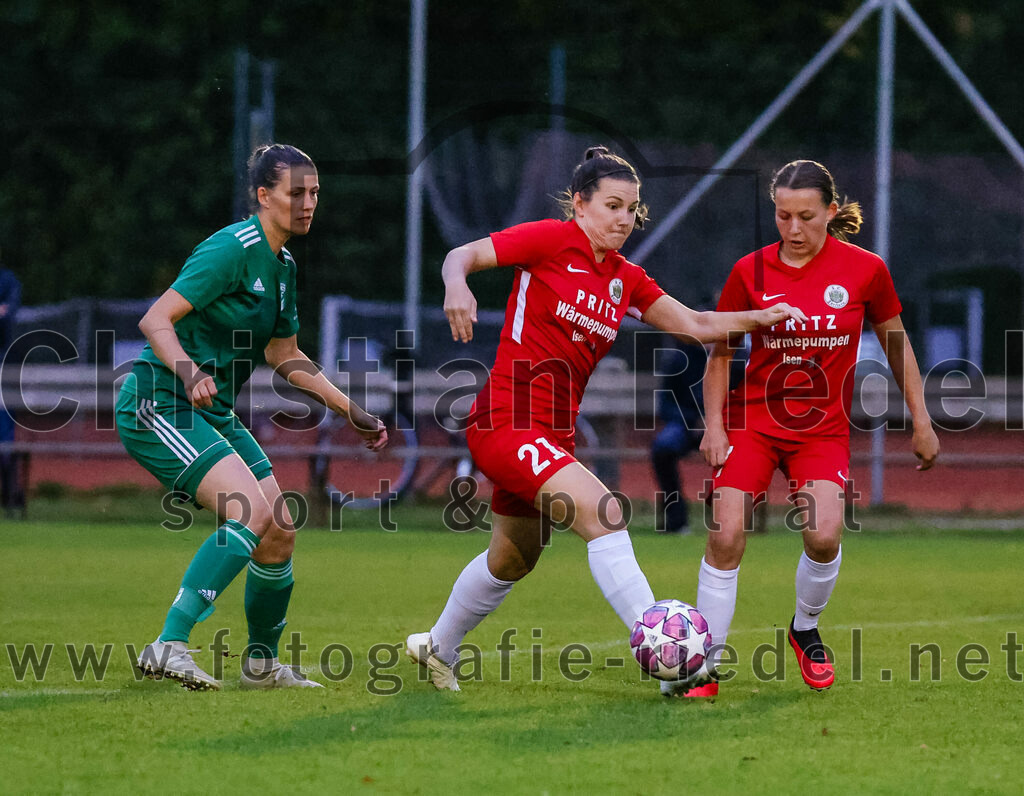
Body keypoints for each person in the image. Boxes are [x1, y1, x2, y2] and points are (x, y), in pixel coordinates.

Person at [406, 146, 807, 691]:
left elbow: (694, 323)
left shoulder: (626, 278)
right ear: (580, 205)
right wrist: (458, 284)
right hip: (508, 419)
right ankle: (675, 663)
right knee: (606, 513)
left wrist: (760, 317)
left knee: (514, 556)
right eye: (613, 205)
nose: (624, 219)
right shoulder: (550, 239)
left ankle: (436, 647)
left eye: (632, 208)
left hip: (553, 432)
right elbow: (462, 255)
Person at [116, 144, 387, 691]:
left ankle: (261, 666)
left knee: (278, 529)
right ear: (264, 196)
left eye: (314, 193)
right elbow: (156, 319)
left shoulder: (283, 266)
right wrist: (191, 373)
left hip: (210, 411)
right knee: (247, 511)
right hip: (159, 400)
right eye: (296, 193)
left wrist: (349, 409)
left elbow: (284, 355)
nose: (308, 203)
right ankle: (168, 644)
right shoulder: (231, 249)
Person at [682, 159, 940, 699]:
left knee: (823, 536)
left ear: (830, 211)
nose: (793, 229)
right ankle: (702, 668)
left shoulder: (866, 270)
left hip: (821, 432)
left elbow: (898, 346)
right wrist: (714, 426)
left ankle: (804, 628)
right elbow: (720, 356)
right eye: (782, 216)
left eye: (806, 216)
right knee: (724, 534)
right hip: (753, 425)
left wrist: (921, 419)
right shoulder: (748, 272)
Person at [650, 336, 707, 534]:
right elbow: (665, 404)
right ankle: (677, 519)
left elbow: (741, 399)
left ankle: (733, 520)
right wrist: (693, 420)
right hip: (685, 424)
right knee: (662, 448)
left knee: (744, 451)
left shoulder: (733, 359)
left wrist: (712, 420)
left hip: (724, 425)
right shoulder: (679, 360)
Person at [0, 254, 22, 515]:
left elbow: (7, 315)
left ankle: (10, 493)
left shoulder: (7, 280)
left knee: (5, 436)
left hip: (4, 366)